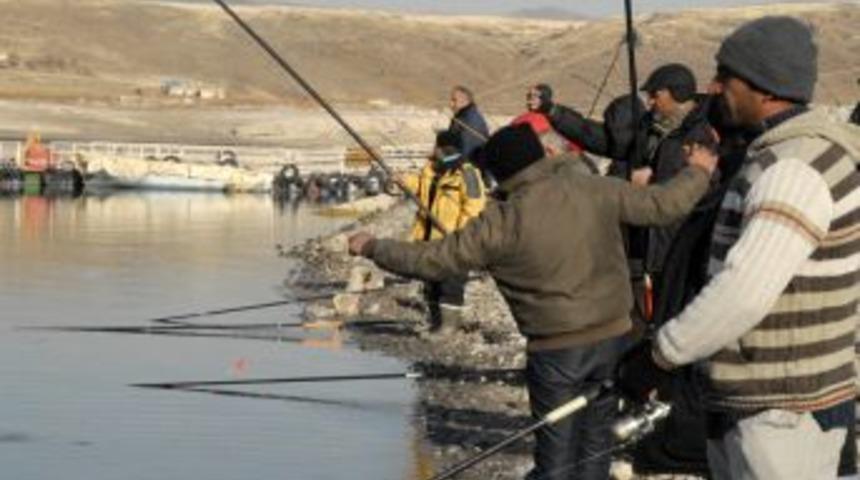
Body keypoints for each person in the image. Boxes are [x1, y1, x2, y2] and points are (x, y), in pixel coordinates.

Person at [348, 122, 717, 480]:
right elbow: (663, 205)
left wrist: (373, 246)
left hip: (557, 353)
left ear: (501, 174)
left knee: (556, 456)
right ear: (541, 155)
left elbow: (432, 260)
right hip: (614, 341)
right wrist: (698, 172)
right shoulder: (593, 187)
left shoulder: (500, 223)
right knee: (594, 446)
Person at [618, 16, 860, 480]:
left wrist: (659, 356)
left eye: (726, 76)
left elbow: (744, 290)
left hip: (782, 411)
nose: (713, 86)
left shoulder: (793, 169)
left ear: (765, 88)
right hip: (774, 403)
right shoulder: (782, 155)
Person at [400, 130, 486, 334]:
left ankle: (449, 327)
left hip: (453, 242)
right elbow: (419, 185)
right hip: (427, 239)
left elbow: (474, 208)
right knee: (430, 282)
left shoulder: (468, 173)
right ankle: (435, 322)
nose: (433, 149)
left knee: (451, 284)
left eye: (436, 146)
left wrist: (459, 237)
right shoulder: (430, 169)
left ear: (444, 148)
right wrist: (401, 181)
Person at [447, 85, 490, 163]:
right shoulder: (461, 117)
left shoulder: (471, 121)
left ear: (465, 101)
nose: (450, 104)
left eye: (454, 100)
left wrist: (443, 161)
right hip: (458, 158)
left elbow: (467, 153)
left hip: (470, 166)